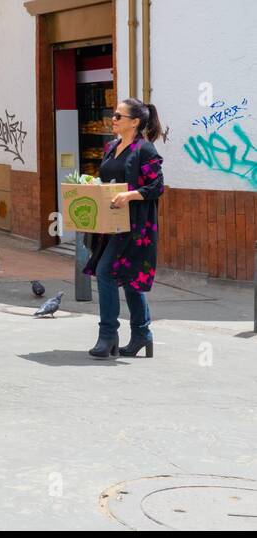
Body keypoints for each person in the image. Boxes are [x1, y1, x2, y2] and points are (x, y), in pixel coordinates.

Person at [83, 98, 166, 359]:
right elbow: (108, 179)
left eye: (119, 116)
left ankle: (108, 335)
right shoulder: (111, 147)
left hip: (136, 227)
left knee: (105, 271)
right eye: (114, 115)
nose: (114, 119)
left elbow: (156, 187)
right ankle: (142, 333)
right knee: (129, 279)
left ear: (135, 122)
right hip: (111, 223)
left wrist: (129, 196)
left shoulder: (145, 150)